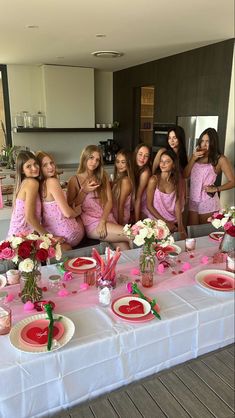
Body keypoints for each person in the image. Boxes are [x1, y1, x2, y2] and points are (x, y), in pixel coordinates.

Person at [67, 145, 130, 250]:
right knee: (131, 235)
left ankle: (138, 266)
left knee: (126, 248)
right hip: (92, 223)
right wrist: (84, 191)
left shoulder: (102, 176)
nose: (94, 162)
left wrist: (103, 221)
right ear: (85, 157)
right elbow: (71, 206)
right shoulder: (74, 180)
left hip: (106, 219)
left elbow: (109, 202)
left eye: (97, 160)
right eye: (91, 158)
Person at [184, 127, 235, 225]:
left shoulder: (220, 159)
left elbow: (232, 182)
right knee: (192, 233)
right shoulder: (196, 156)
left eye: (207, 141)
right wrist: (193, 158)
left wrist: (216, 189)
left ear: (213, 143)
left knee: (204, 234)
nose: (204, 144)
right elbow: (185, 175)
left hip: (207, 200)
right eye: (202, 141)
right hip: (193, 199)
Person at [36, 151, 84, 249]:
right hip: (68, 234)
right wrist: (77, 212)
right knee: (85, 214)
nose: (51, 167)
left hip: (51, 233)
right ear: (39, 169)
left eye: (51, 163)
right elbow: (68, 214)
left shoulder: (38, 184)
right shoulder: (52, 181)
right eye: (45, 165)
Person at [143, 150, 186, 238]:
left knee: (180, 242)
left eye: (167, 162)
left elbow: (177, 204)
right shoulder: (153, 180)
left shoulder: (176, 181)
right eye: (161, 161)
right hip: (156, 220)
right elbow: (149, 206)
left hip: (172, 220)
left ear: (173, 165)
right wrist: (165, 222)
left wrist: (181, 225)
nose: (162, 164)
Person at [8, 151, 47, 237]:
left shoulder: (25, 182)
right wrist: (49, 236)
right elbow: (29, 218)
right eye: (28, 166)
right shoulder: (32, 183)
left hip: (16, 236)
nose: (34, 168)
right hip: (22, 237)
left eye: (35, 164)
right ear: (22, 170)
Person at [111, 149, 134, 225]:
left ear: (128, 163)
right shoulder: (118, 178)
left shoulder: (125, 181)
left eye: (123, 162)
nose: (119, 165)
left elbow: (121, 206)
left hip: (120, 217)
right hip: (114, 214)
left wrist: (120, 227)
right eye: (117, 162)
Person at [133, 143, 152, 222]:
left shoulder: (145, 173)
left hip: (142, 205)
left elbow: (138, 198)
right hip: (133, 202)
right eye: (140, 154)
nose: (142, 158)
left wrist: (137, 222)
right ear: (135, 154)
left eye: (146, 156)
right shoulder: (132, 166)